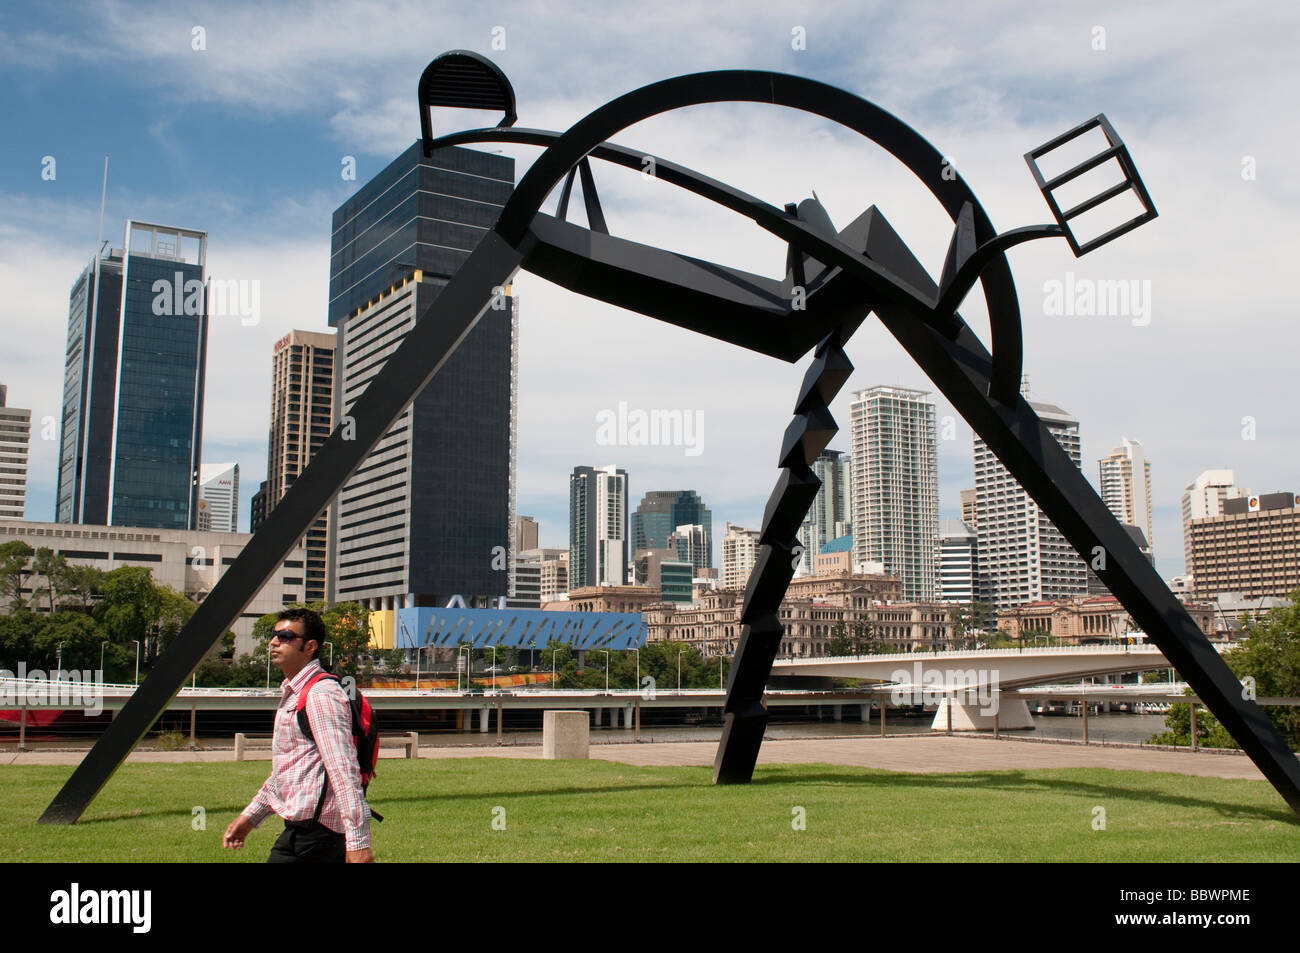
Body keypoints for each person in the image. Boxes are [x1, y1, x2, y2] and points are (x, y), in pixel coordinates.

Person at [222, 608, 374, 863]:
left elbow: (343, 771)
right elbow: (288, 771)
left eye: (285, 636)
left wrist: (359, 842)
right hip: (303, 832)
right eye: (274, 635)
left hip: (318, 835)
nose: (273, 642)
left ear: (310, 646)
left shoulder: (320, 695)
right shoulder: (296, 692)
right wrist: (251, 817)